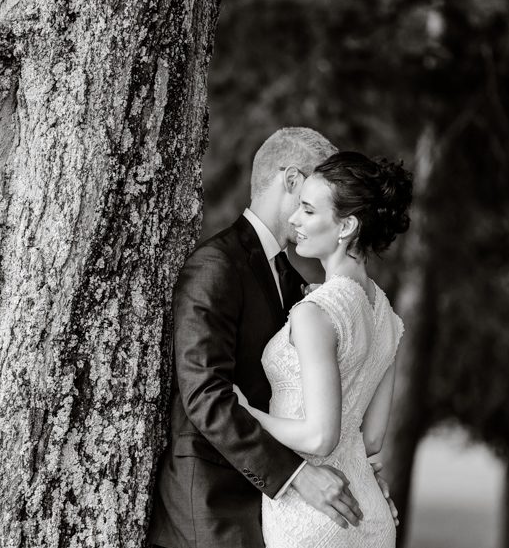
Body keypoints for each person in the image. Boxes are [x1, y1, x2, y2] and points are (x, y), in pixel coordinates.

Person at [148, 129, 396, 548]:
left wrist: (359, 475)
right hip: (212, 507)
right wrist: (296, 477)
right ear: (294, 180)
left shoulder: (303, 287)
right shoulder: (216, 265)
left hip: (281, 507)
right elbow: (205, 394)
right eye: (316, 191)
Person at [234, 150, 412, 547]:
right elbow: (371, 440)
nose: (295, 220)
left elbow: (320, 438)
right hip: (369, 511)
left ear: (346, 225)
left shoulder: (315, 313)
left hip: (313, 518)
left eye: (309, 211)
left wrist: (248, 414)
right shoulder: (387, 316)